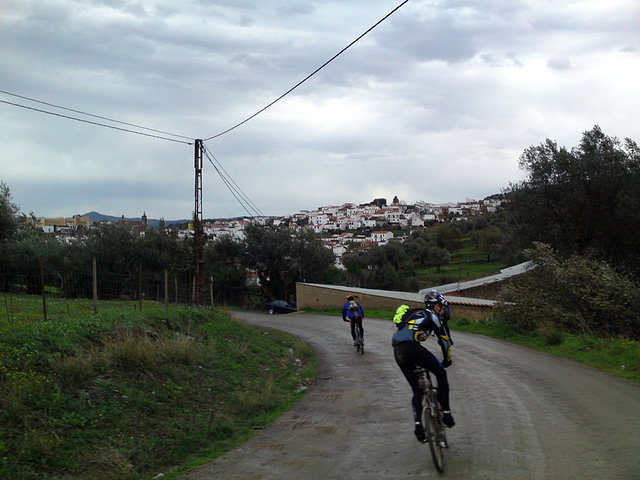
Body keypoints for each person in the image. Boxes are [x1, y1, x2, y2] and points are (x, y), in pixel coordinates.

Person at [392, 291, 454, 443]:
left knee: (417, 392)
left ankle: (418, 425)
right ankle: (446, 413)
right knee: (440, 373)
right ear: (436, 306)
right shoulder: (432, 315)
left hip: (398, 350)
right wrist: (447, 359)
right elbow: (444, 341)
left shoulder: (414, 313)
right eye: (442, 306)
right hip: (412, 347)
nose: (443, 310)